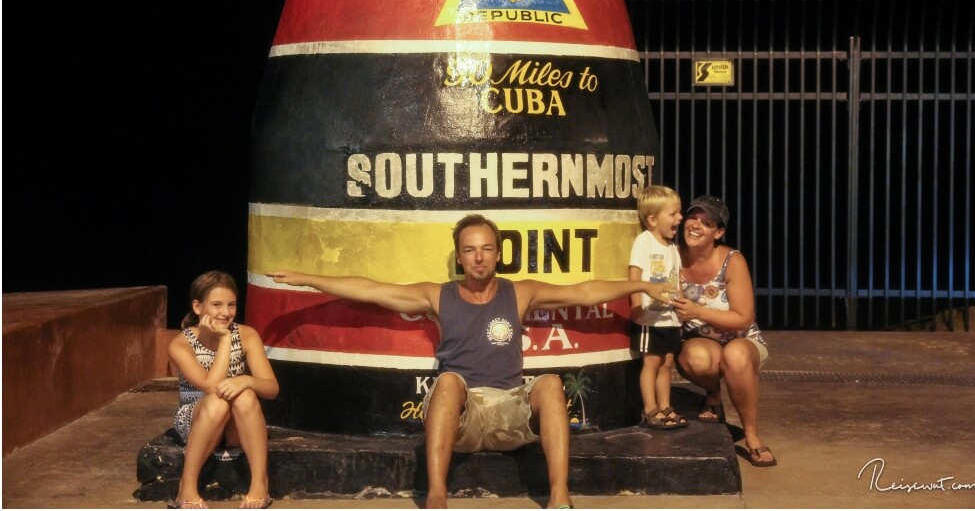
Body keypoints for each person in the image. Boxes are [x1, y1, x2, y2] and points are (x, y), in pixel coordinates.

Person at [267, 213, 672, 509]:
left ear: (497, 254)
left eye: (486, 249)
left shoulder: (520, 292)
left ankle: (560, 497)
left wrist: (642, 284)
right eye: (469, 250)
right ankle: (437, 496)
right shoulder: (437, 295)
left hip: (511, 408)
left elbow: (585, 291)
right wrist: (308, 277)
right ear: (459, 258)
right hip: (464, 413)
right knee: (446, 382)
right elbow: (371, 289)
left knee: (549, 381)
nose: (478, 258)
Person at [670, 196, 777, 467]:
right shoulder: (671, 255)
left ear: (718, 233)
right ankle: (713, 395)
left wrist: (697, 311)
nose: (696, 226)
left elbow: (743, 318)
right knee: (694, 357)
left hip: (742, 339)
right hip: (701, 342)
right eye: (693, 218)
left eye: (706, 223)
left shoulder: (732, 260)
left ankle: (752, 435)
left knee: (736, 356)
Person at [168, 271, 280, 509]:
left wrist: (246, 381)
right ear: (198, 307)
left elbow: (271, 388)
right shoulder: (181, 344)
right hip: (198, 417)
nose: (226, 312)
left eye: (232, 305)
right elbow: (210, 386)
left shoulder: (248, 335)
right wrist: (225, 341)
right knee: (217, 401)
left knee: (246, 394)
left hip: (235, 422)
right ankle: (186, 487)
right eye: (217, 305)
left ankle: (260, 484)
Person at [627, 185, 688, 430]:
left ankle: (665, 405)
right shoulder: (644, 242)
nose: (679, 218)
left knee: (666, 363)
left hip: (669, 318)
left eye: (679, 213)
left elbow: (677, 278)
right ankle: (650, 408)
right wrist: (635, 306)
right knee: (651, 363)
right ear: (652, 219)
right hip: (650, 319)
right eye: (673, 214)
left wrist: (681, 306)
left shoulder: (673, 248)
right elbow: (634, 275)